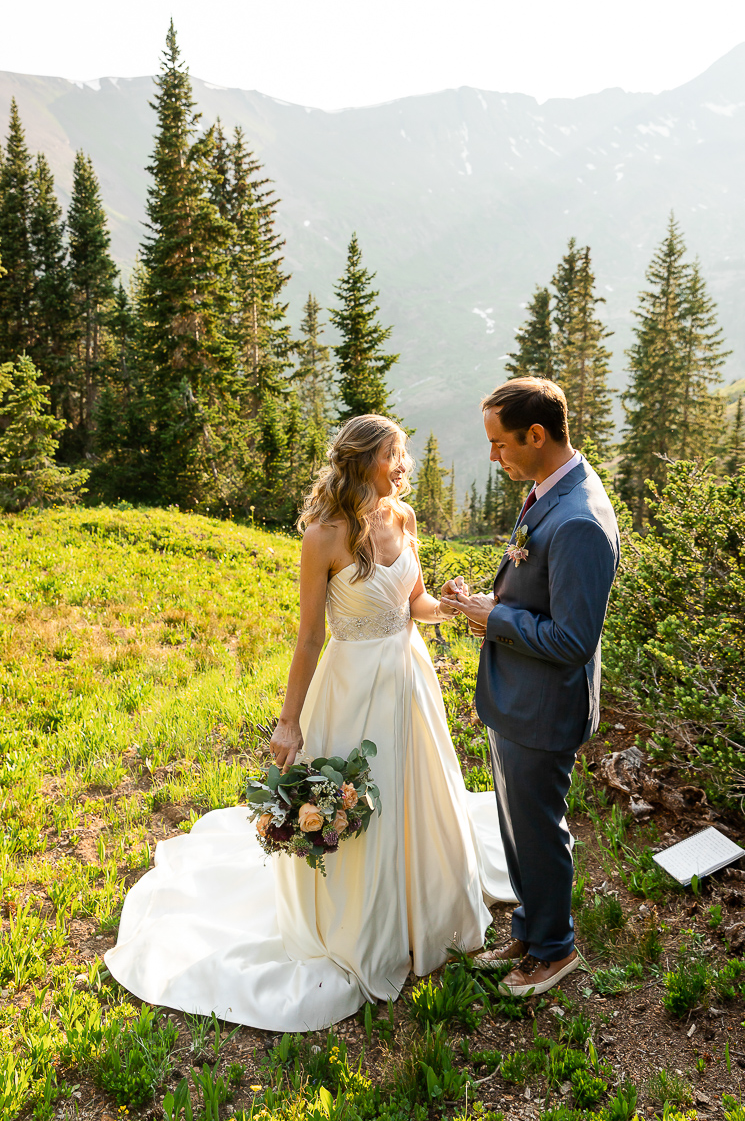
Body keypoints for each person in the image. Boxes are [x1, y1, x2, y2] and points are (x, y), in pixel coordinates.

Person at [105, 414, 513, 1032]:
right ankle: (361, 924)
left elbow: (417, 605)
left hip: (409, 682)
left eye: (403, 457)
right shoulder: (323, 537)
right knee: (362, 803)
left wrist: (454, 606)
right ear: (363, 462)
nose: (404, 467)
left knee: (417, 797)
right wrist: (290, 722)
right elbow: (308, 638)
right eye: (395, 457)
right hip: (351, 691)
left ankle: (421, 913)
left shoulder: (402, 521)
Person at [442, 378, 620, 997]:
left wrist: (495, 619)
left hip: (543, 707)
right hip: (517, 697)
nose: (495, 457)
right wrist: (490, 602)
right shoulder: (551, 488)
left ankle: (554, 949)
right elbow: (539, 591)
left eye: (499, 445)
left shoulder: (578, 521)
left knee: (539, 829)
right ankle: (530, 925)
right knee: (515, 822)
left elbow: (573, 640)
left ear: (537, 435)